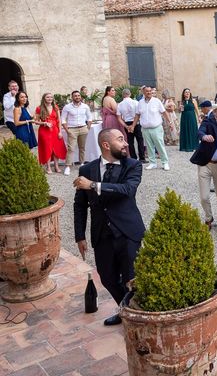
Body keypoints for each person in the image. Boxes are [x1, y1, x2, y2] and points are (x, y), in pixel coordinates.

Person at [73, 128, 146, 326]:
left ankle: (138, 318)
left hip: (128, 232)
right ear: (106, 145)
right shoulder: (86, 170)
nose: (126, 143)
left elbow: (127, 190)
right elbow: (80, 205)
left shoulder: (132, 165)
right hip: (102, 234)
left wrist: (93, 185)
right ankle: (126, 310)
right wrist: (80, 236)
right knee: (107, 278)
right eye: (120, 139)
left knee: (132, 279)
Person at [132, 86, 173, 171]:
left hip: (156, 128)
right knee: (149, 146)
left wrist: (170, 123)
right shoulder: (140, 103)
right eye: (147, 91)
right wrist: (133, 125)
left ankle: (165, 162)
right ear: (143, 92)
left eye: (150, 91)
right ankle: (152, 163)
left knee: (160, 145)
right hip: (145, 129)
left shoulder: (157, 101)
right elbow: (137, 115)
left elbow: (164, 112)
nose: (149, 92)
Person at [61, 90, 93, 175]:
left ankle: (82, 164)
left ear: (80, 97)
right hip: (72, 129)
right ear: (72, 97)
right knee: (71, 148)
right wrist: (67, 131)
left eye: (78, 95)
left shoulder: (85, 106)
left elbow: (89, 117)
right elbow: (63, 119)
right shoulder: (67, 107)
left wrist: (88, 127)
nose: (77, 97)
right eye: (75, 96)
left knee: (82, 148)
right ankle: (68, 166)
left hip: (83, 128)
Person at [36, 92, 67, 173]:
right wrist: (44, 123)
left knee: (56, 148)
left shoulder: (55, 107)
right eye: (47, 97)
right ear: (44, 99)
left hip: (55, 130)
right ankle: (48, 167)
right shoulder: (39, 108)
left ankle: (56, 166)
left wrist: (60, 131)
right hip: (44, 131)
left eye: (51, 97)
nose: (50, 99)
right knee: (47, 148)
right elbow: (36, 122)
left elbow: (59, 121)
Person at [117, 89, 145, 162]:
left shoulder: (120, 104)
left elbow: (119, 118)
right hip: (136, 122)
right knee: (140, 140)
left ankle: (133, 158)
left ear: (123, 95)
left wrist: (126, 126)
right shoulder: (136, 102)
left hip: (127, 123)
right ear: (130, 94)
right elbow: (138, 114)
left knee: (130, 141)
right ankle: (142, 157)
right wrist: (133, 125)